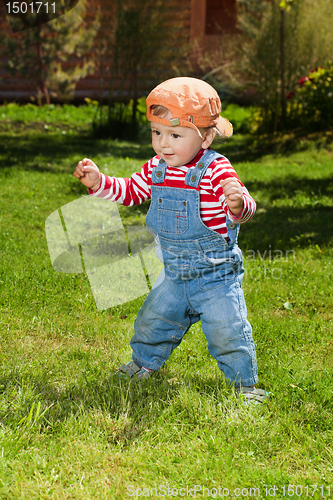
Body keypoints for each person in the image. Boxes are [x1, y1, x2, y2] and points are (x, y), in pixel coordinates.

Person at [73, 77, 268, 403]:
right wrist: (98, 181)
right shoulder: (156, 168)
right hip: (174, 272)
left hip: (215, 275)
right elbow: (130, 191)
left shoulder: (216, 170)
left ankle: (245, 385)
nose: (164, 144)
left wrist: (237, 205)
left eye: (175, 135)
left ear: (205, 137)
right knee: (153, 321)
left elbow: (243, 208)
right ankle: (142, 364)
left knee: (228, 331)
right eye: (156, 133)